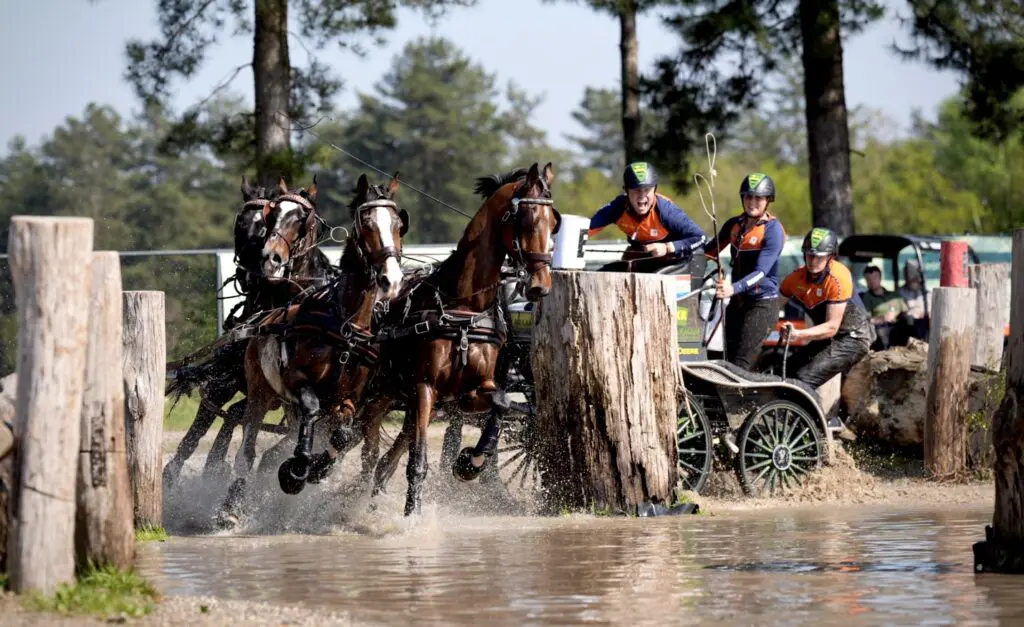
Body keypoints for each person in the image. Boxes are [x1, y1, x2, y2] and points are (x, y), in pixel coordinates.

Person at [777, 227, 874, 434]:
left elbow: (831, 327)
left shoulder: (839, 276)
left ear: (831, 257)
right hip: (829, 337)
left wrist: (798, 334)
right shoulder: (795, 278)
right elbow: (773, 307)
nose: (813, 261)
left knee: (804, 378)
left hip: (853, 338)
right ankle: (788, 422)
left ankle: (816, 429)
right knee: (786, 371)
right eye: (809, 255)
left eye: (819, 257)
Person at [703, 172, 787, 370]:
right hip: (737, 302)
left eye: (758, 198)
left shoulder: (773, 230)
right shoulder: (734, 225)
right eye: (748, 197)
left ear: (768, 200)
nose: (752, 202)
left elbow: (761, 272)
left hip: (762, 304)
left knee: (740, 365)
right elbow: (708, 252)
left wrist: (733, 288)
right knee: (725, 361)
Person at [588, 161, 707, 258]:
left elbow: (701, 237)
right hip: (643, 256)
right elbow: (586, 230)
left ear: (655, 189)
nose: (642, 196)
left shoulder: (666, 211)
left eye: (647, 190)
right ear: (626, 191)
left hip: (674, 259)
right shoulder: (617, 207)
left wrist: (667, 247)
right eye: (636, 190)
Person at [859, 265, 910, 349]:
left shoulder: (894, 295)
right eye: (868, 279)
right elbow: (866, 321)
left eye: (875, 278)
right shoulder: (865, 298)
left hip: (899, 326)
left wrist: (897, 315)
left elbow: (905, 312)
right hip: (881, 330)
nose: (872, 281)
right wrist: (883, 319)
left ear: (880, 278)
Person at [898, 260, 930, 340]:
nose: (915, 281)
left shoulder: (928, 294)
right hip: (909, 329)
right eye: (912, 279)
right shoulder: (900, 293)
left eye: (916, 279)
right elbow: (901, 312)